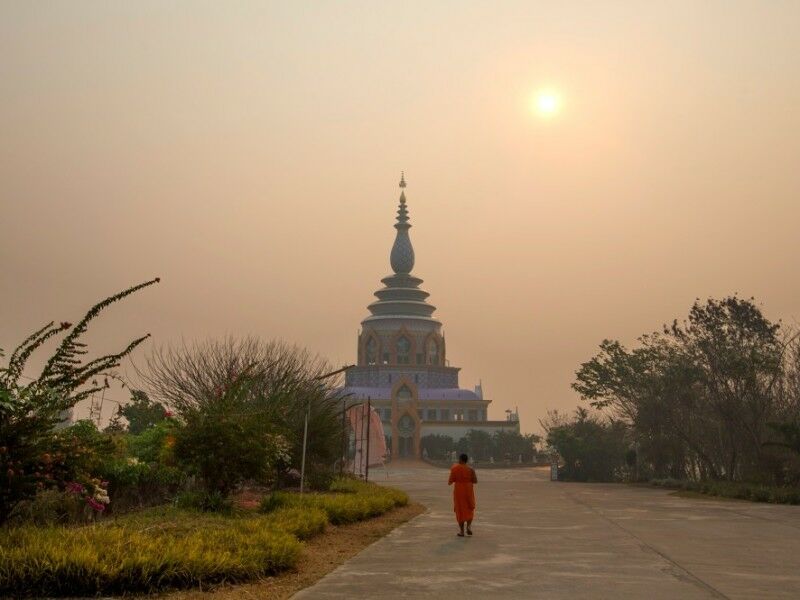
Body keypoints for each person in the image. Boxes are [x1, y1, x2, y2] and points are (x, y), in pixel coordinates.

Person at [448, 453, 478, 537]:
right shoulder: (471, 469)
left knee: (459, 509)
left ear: (460, 460)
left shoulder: (455, 468)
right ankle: (468, 526)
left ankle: (461, 531)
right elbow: (475, 481)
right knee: (470, 507)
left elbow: (450, 481)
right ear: (467, 460)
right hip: (468, 490)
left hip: (459, 491)